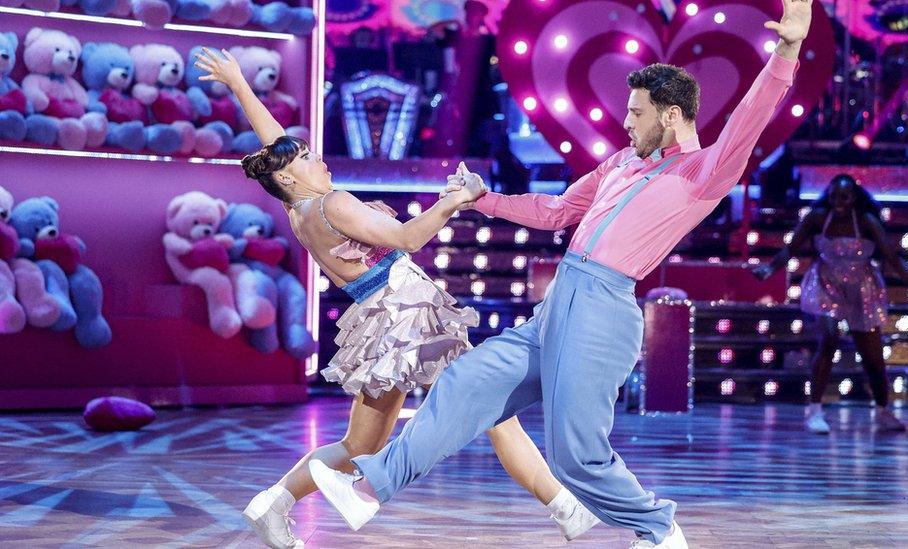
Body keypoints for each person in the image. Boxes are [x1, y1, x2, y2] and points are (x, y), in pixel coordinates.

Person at [305, 1, 815, 548]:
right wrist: (485, 200)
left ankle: (658, 529)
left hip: (602, 310)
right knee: (466, 382)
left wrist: (786, 51)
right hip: (561, 304)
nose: (626, 122)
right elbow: (557, 213)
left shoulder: (703, 172)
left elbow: (749, 117)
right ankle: (370, 490)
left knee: (576, 458)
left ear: (670, 116)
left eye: (637, 113)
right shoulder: (622, 163)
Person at [192, 48, 600, 548]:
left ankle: (273, 502)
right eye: (305, 158)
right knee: (492, 404)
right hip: (408, 315)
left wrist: (239, 85)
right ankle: (564, 506)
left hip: (379, 319)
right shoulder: (333, 203)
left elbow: (274, 143)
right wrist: (453, 201)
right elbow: (407, 238)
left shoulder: (300, 213)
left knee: (361, 444)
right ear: (287, 177)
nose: (317, 157)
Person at [753, 174, 908, 433]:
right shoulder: (817, 217)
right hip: (826, 282)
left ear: (854, 198)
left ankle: (883, 411)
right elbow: (790, 249)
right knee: (828, 337)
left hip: (861, 288)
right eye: (833, 197)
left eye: (844, 197)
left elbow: (893, 258)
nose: (838, 202)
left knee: (873, 357)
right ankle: (815, 410)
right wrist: (769, 268)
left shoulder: (866, 221)